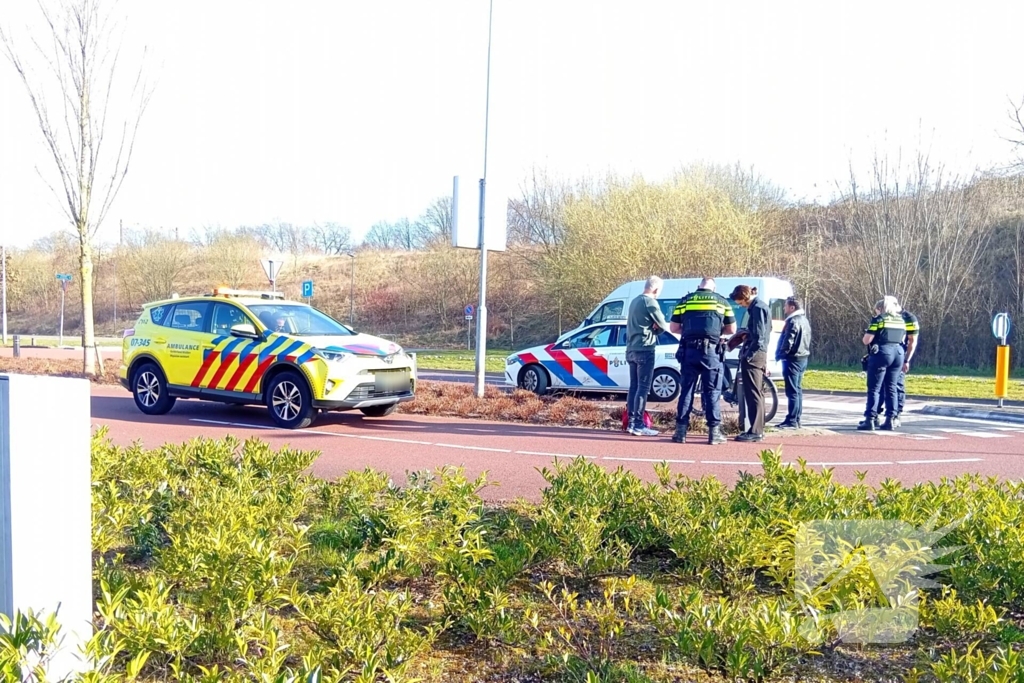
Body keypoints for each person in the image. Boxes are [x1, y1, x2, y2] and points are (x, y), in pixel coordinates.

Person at [668, 277, 736, 445]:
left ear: (699, 286)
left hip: (689, 351)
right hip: (711, 352)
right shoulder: (722, 302)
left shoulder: (685, 301)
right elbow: (732, 329)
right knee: (712, 392)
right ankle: (714, 434)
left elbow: (673, 328)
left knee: (686, 391)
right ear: (713, 288)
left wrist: (690, 331)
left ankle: (680, 432)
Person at [625, 276, 676, 436]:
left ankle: (631, 422)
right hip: (645, 348)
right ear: (656, 289)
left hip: (631, 348)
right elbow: (662, 324)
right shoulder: (650, 302)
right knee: (643, 388)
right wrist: (655, 330)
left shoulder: (634, 301)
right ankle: (639, 425)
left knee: (633, 386)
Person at [729, 285, 770, 442]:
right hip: (758, 355)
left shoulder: (757, 308)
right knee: (756, 393)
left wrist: (749, 355)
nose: (740, 305)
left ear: (745, 298)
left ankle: (755, 431)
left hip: (754, 356)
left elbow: (760, 336)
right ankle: (757, 429)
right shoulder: (760, 307)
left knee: (753, 393)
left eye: (740, 303)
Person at [858, 297, 906, 431]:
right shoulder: (901, 320)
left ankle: (870, 419)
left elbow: (867, 340)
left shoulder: (879, 319)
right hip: (898, 353)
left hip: (883, 352)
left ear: (881, 308)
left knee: (874, 388)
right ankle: (891, 419)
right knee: (891, 387)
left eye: (877, 310)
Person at [881, 301, 920, 429]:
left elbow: (912, 341)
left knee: (897, 385)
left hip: (900, 355)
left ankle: (896, 415)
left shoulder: (909, 318)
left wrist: (907, 359)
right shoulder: (886, 317)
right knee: (882, 386)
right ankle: (881, 414)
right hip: (887, 354)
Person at [775, 296, 811, 429]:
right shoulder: (804, 320)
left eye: (785, 306)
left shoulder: (792, 321)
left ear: (792, 307)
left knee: (792, 391)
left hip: (792, 359)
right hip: (802, 357)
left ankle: (792, 420)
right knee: (797, 389)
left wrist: (781, 354)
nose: (784, 308)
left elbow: (788, 340)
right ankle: (796, 418)